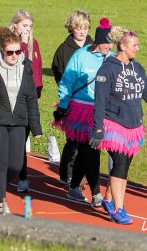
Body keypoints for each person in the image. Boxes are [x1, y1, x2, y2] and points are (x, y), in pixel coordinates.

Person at [90, 26, 147, 225]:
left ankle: (108, 199)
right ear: (123, 46)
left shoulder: (137, 68)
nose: (138, 48)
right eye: (135, 45)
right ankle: (119, 209)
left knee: (123, 165)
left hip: (133, 126)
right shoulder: (107, 69)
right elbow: (99, 102)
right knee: (120, 164)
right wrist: (98, 130)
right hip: (113, 124)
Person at [0, 27, 42, 215]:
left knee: (16, 166)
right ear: (2, 50)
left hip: (18, 121)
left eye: (17, 52)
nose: (14, 56)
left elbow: (31, 98)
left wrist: (36, 127)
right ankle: (1, 200)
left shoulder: (26, 66)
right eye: (10, 52)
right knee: (1, 162)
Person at [52, 18, 113, 207]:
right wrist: (63, 105)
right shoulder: (81, 55)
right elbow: (67, 81)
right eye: (107, 43)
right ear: (99, 41)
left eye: (112, 43)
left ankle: (73, 187)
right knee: (90, 149)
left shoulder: (111, 58)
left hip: (100, 111)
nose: (110, 47)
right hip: (80, 110)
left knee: (87, 150)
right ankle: (96, 192)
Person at [51, 10, 93, 184]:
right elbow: (58, 71)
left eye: (85, 28)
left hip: (91, 101)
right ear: (71, 28)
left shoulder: (94, 47)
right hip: (73, 100)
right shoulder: (63, 50)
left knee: (89, 141)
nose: (82, 31)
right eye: (78, 28)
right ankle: (66, 173)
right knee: (74, 140)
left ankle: (83, 175)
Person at [9, 9, 42, 192]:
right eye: (24, 25)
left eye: (30, 25)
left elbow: (37, 68)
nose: (27, 29)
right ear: (15, 25)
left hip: (31, 99)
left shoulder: (34, 44)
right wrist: (22, 43)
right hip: (15, 98)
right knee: (18, 138)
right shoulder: (10, 43)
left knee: (24, 136)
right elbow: (16, 65)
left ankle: (18, 172)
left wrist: (38, 90)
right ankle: (22, 177)